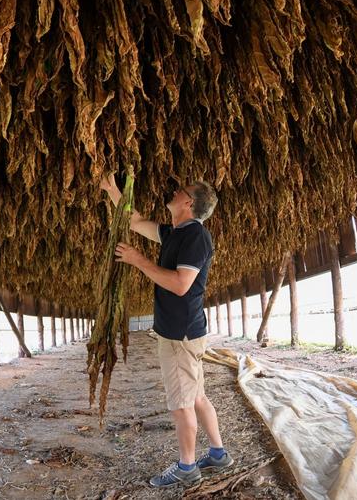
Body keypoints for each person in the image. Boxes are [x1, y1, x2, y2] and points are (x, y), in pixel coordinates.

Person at [100, 173, 233, 488]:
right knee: (196, 395)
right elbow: (135, 221)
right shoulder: (174, 232)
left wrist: (139, 261)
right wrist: (112, 190)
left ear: (189, 202)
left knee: (183, 402)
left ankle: (187, 467)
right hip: (184, 331)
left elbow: (180, 284)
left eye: (181, 191)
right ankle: (218, 454)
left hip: (179, 334)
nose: (173, 192)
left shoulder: (195, 237)